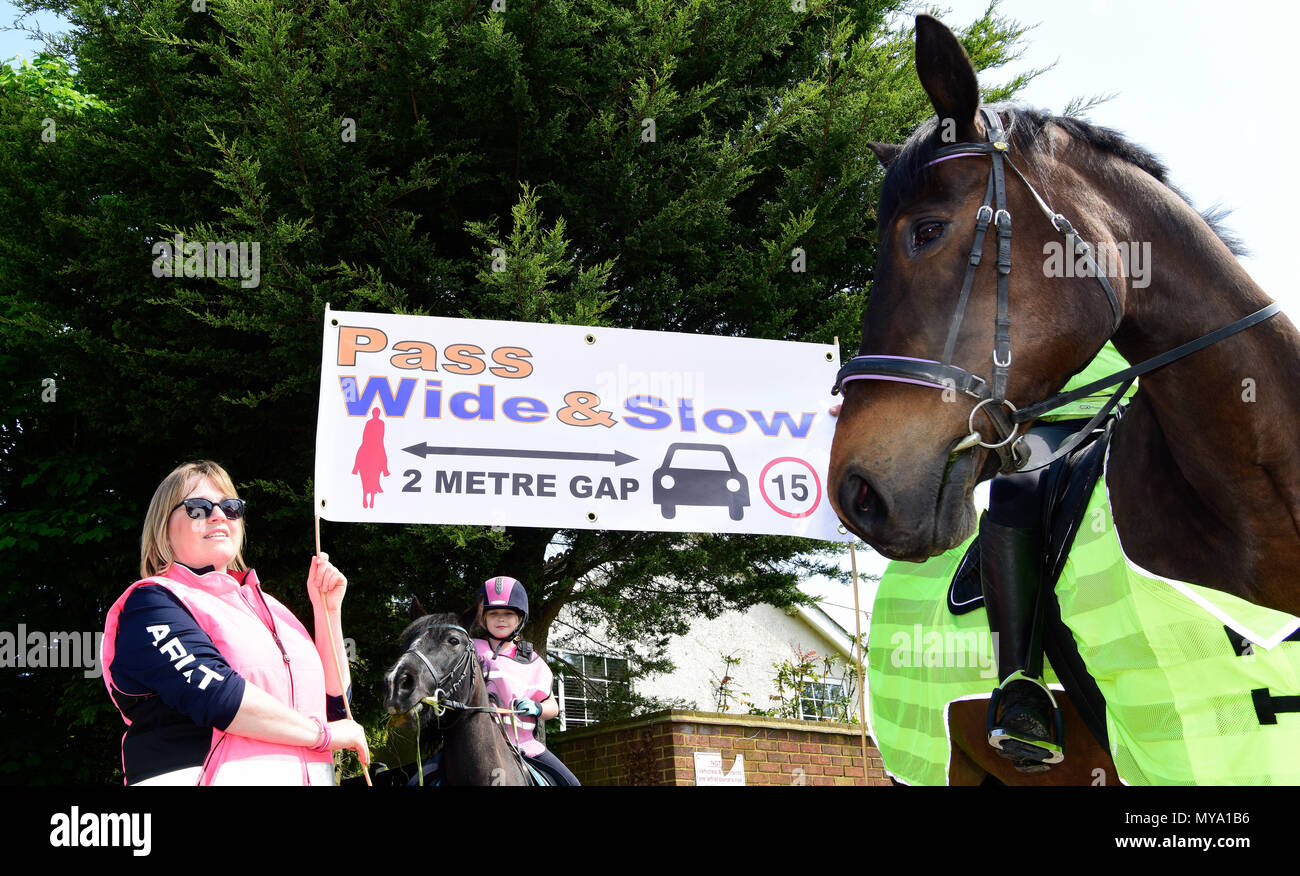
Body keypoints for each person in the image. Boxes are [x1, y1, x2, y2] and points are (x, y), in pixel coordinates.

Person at [101, 460, 370, 785]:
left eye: (230, 507)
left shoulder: (274, 611)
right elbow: (219, 698)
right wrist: (322, 736)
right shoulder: (151, 604)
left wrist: (327, 612)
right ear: (163, 526)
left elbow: (335, 710)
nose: (218, 516)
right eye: (198, 508)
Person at [468, 575, 581, 785]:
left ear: (519, 619)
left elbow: (552, 706)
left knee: (572, 783)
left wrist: (537, 707)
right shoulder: (469, 649)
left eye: (508, 614)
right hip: (473, 744)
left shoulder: (533, 661)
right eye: (493, 614)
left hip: (525, 746)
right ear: (483, 618)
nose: (500, 619)